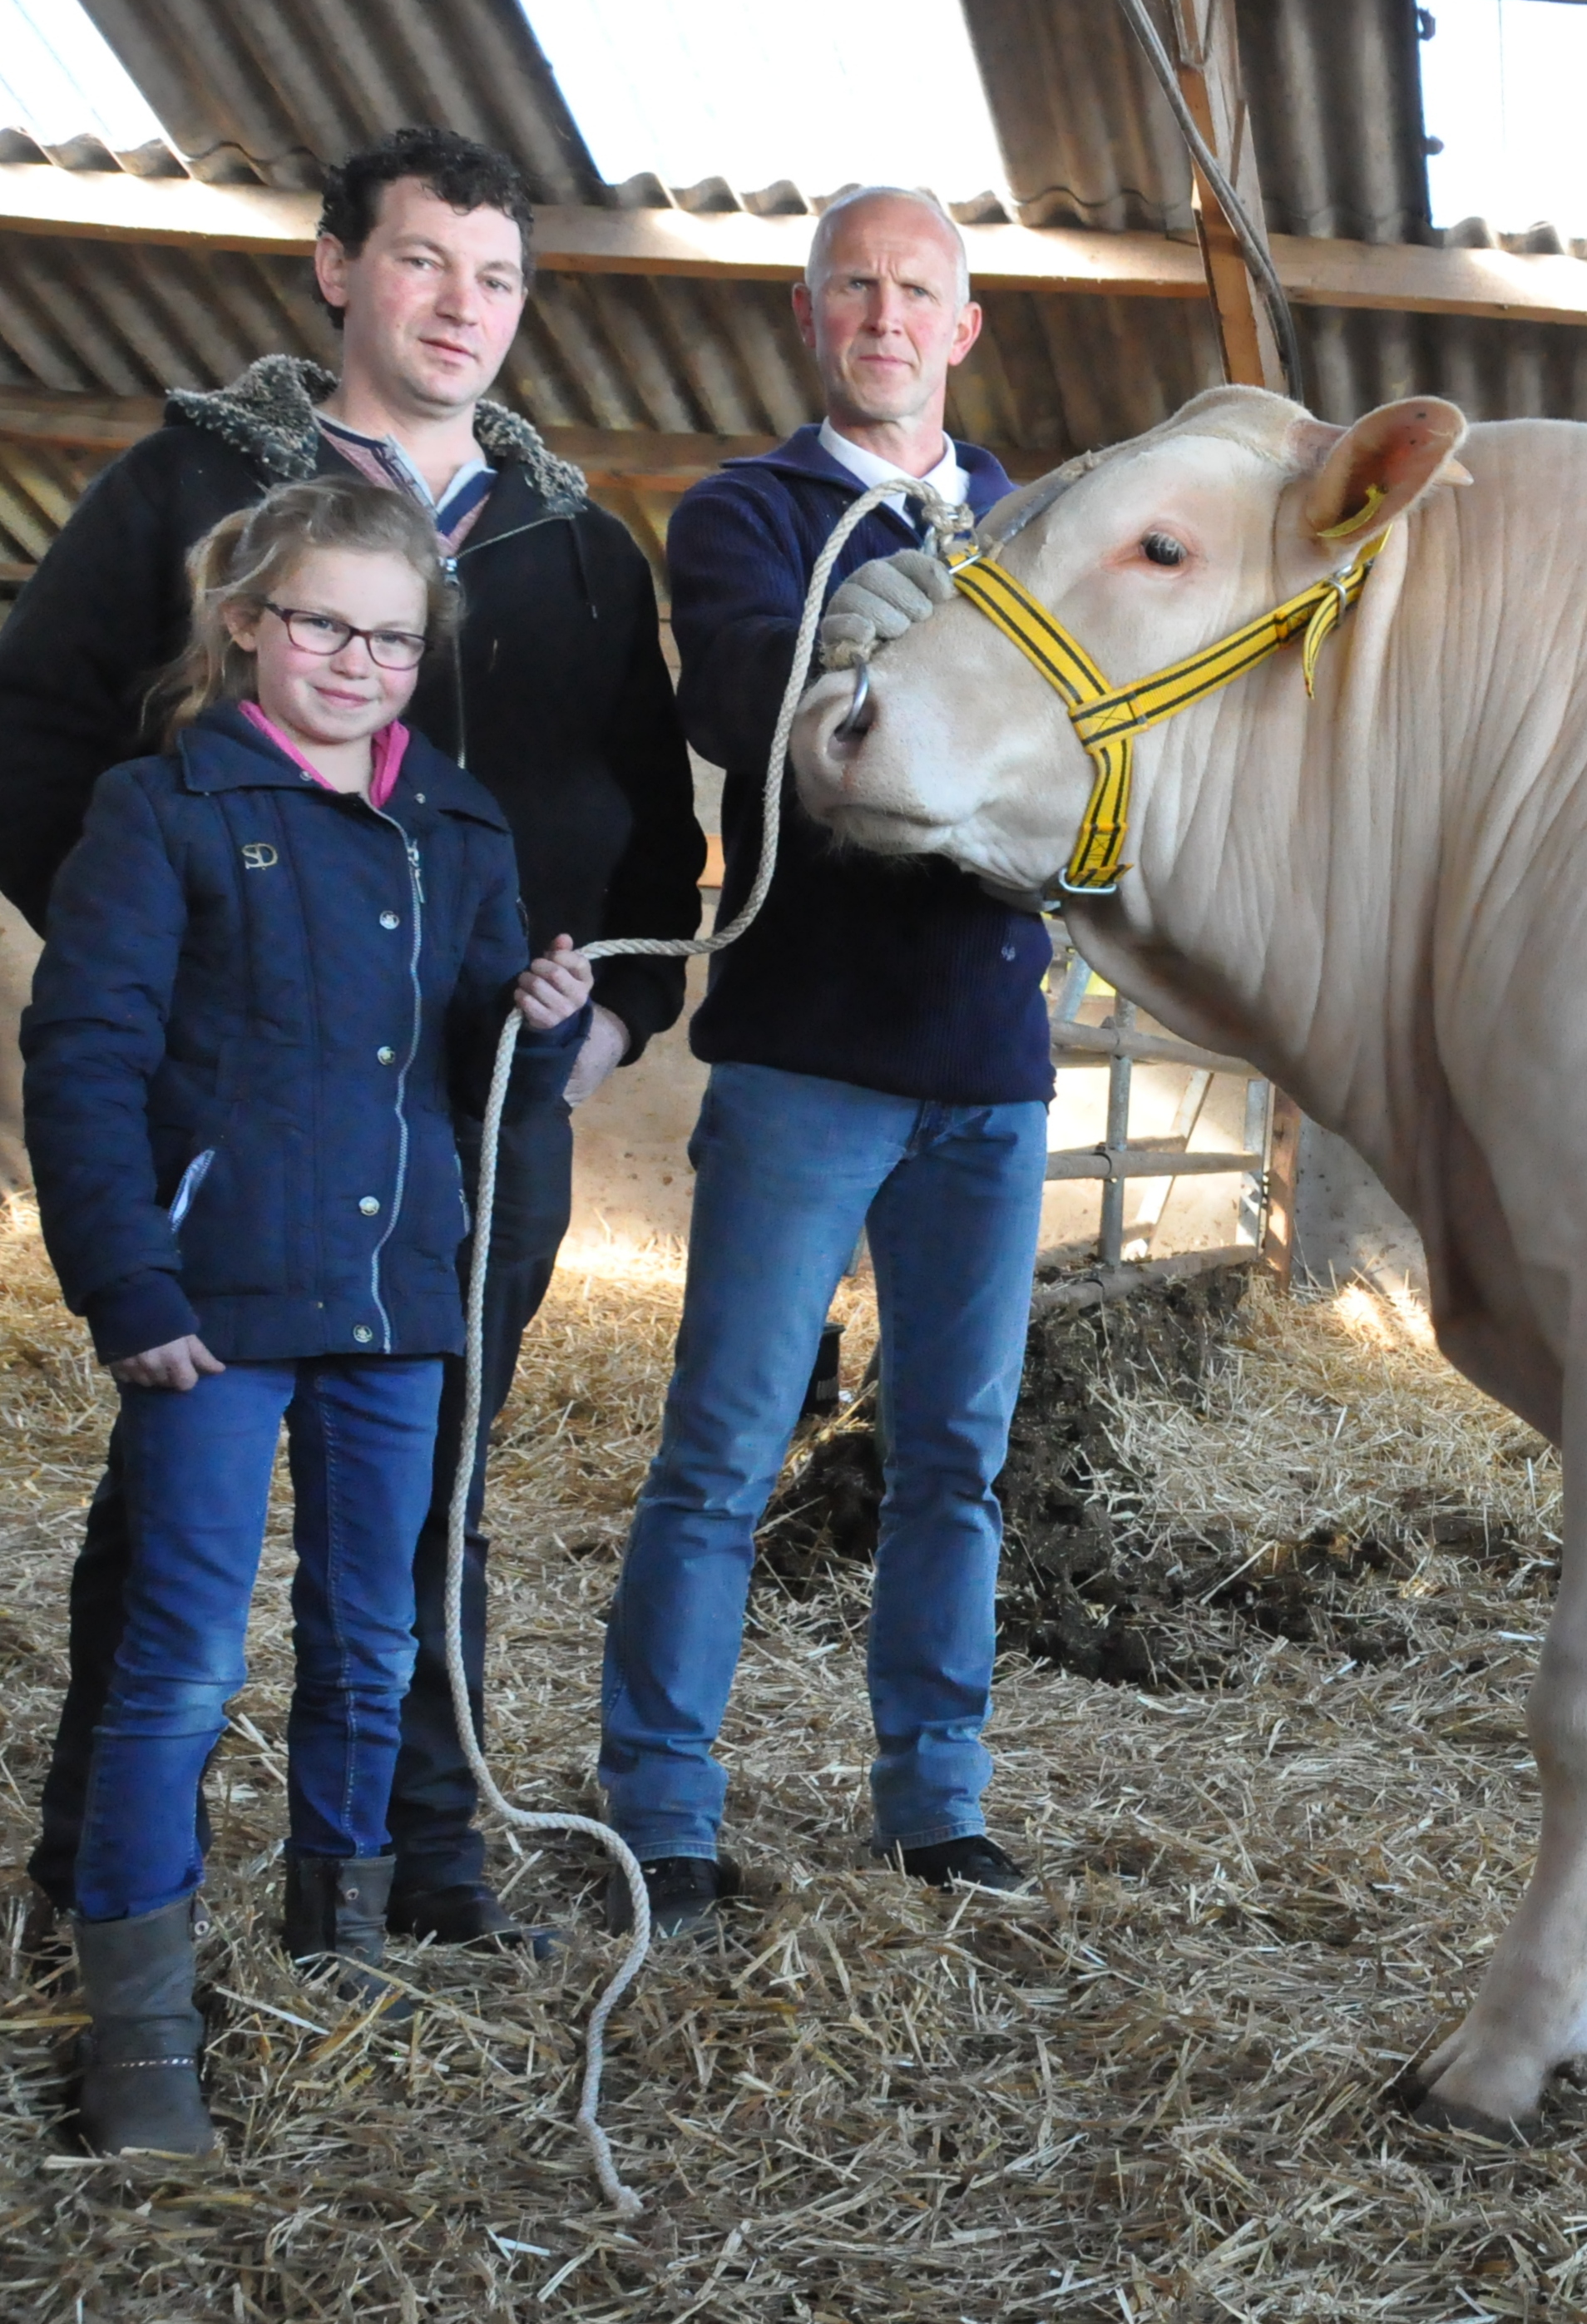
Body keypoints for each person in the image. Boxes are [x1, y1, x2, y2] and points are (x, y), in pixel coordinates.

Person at [0, 127, 705, 1954]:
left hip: (484, 1100)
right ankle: (92, 1883)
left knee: (436, 1482)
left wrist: (615, 1025)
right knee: (175, 1499)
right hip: (240, 1110)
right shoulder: (191, 486)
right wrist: (168, 970)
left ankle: (422, 1873)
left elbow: (652, 818)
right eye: (421, 262)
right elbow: (33, 726)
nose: (461, 306)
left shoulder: (574, 549)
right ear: (336, 271)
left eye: (497, 276)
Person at [22, 478, 596, 2156]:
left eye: (393, 638)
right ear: (247, 624)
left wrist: (543, 1025)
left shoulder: (460, 826)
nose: (358, 661)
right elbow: (85, 1058)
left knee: (371, 1639)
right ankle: (139, 2026)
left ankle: (336, 1947)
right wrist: (127, 1281)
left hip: (395, 1295)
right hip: (212, 1306)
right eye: (324, 624)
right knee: (182, 1659)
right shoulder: (166, 808)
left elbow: (478, 1082)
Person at [594, 185, 1053, 1936]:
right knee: (724, 1447)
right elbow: (743, 709)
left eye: (915, 290)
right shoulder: (744, 513)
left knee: (956, 1456)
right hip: (804, 1053)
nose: (883, 316)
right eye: (852, 286)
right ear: (810, 317)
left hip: (988, 1061)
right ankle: (662, 1804)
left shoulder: (1034, 520)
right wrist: (892, 626)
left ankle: (937, 1799)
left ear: (963, 326)